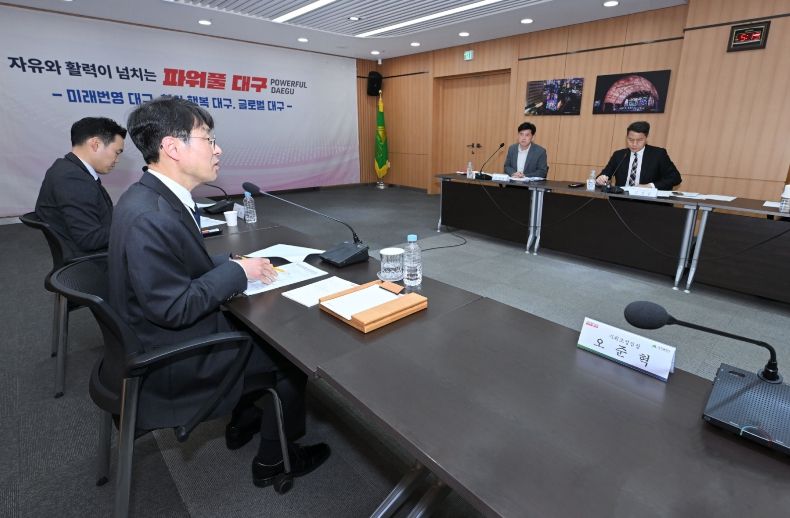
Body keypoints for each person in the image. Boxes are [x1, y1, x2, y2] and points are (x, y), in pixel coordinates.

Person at [111, 96, 329, 487]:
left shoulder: (152, 196)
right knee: (290, 357)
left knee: (255, 323)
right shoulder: (151, 216)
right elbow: (174, 308)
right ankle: (273, 460)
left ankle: (243, 420)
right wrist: (234, 272)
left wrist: (230, 263)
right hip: (173, 359)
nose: (218, 149)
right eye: (208, 139)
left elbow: (177, 265)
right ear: (173, 147)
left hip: (154, 336)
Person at [35, 117, 126, 260]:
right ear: (95, 144)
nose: (117, 159)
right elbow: (89, 238)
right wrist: (132, 226)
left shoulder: (65, 168)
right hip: (93, 261)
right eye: (117, 152)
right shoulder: (73, 178)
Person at [596, 121, 681, 190]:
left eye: (639, 140)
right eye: (630, 139)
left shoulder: (658, 154)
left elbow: (675, 178)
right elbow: (604, 174)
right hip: (620, 199)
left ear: (646, 138)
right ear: (626, 137)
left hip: (648, 201)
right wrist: (601, 178)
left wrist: (650, 186)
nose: (634, 144)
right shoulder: (619, 155)